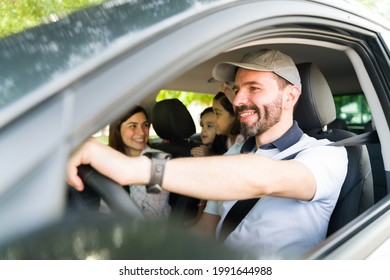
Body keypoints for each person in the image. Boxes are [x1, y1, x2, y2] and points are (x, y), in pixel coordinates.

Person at [67, 49, 348, 259]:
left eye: (254, 88)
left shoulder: (326, 155)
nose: (238, 100)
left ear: (290, 97)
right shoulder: (234, 154)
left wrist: (136, 168)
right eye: (237, 89)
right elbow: (206, 228)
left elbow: (262, 176)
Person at [102, 105, 171, 219]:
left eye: (145, 125)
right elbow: (105, 209)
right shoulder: (110, 160)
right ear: (118, 129)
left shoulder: (159, 160)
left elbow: (153, 214)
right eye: (133, 126)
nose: (142, 132)